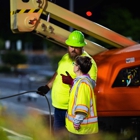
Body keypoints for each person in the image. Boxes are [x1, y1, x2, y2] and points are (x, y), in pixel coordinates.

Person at [37, 30, 97, 135]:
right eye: (71, 46)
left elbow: (90, 85)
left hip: (71, 111)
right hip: (58, 107)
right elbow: (58, 72)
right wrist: (47, 86)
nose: (73, 49)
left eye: (76, 47)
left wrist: (71, 82)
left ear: (82, 47)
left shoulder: (88, 63)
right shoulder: (65, 57)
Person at [65, 56, 98, 140]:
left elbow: (82, 106)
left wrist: (76, 123)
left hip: (81, 129)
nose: (73, 66)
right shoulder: (80, 82)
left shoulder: (83, 84)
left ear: (78, 67)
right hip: (79, 129)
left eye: (74, 64)